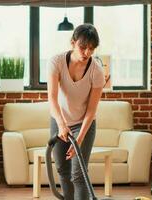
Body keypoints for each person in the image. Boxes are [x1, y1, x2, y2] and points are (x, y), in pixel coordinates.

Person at [47, 23, 105, 200]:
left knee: (78, 174)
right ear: (72, 43)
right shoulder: (56, 62)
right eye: (83, 47)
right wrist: (61, 125)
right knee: (62, 171)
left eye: (91, 49)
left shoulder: (97, 71)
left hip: (83, 124)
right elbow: (52, 98)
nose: (86, 53)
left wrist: (78, 139)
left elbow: (91, 110)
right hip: (59, 121)